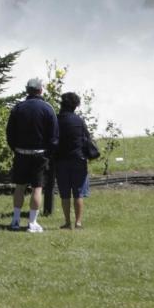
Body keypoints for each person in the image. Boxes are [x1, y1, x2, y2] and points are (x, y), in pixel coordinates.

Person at [6, 77, 58, 233]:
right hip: (40, 154)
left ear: (27, 90)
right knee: (37, 188)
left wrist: (15, 148)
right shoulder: (47, 108)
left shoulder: (18, 108)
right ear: (41, 90)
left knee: (19, 187)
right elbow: (54, 135)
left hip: (21, 152)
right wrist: (49, 152)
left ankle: (15, 220)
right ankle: (32, 223)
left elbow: (10, 132)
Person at [54, 91, 90, 229]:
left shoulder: (56, 120)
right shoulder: (79, 121)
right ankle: (78, 222)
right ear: (76, 106)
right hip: (78, 159)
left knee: (64, 193)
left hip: (61, 160)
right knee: (78, 192)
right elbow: (87, 138)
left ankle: (67, 222)